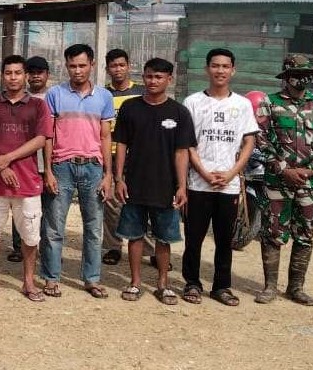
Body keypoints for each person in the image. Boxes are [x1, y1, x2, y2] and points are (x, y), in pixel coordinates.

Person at [253, 55, 313, 306]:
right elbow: (261, 139)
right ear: (286, 77)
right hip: (278, 181)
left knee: (305, 234)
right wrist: (283, 169)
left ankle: (296, 288)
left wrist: (312, 171)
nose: (303, 79)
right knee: (272, 233)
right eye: (297, 74)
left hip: (309, 184)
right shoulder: (270, 103)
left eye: (307, 74)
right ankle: (269, 287)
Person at [0, 55, 53, 300]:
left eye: (18, 73)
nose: (13, 77)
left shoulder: (38, 106)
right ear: (2, 76)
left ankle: (28, 282)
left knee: (29, 234)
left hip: (27, 181)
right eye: (8, 73)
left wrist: (10, 158)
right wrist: (0, 164)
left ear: (25, 75)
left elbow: (41, 138)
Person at [113, 58, 196, 305]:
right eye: (149, 76)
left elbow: (182, 152)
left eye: (159, 77)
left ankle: (163, 284)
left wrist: (182, 186)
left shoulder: (179, 112)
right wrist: (119, 178)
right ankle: (135, 282)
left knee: (164, 238)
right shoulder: (130, 108)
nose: (153, 81)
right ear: (143, 77)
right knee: (134, 236)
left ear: (169, 80)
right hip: (134, 185)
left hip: (166, 186)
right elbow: (122, 145)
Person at [181, 48, 258, 306]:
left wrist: (231, 173)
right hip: (198, 183)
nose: (220, 71)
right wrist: (203, 171)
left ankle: (222, 286)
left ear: (233, 70)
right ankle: (192, 283)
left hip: (228, 184)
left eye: (225, 66)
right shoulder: (192, 102)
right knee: (194, 237)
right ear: (207, 69)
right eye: (215, 66)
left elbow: (249, 141)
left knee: (225, 239)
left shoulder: (242, 104)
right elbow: (188, 143)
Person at [40, 44, 113, 299]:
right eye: (72, 66)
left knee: (94, 228)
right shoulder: (55, 94)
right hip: (61, 166)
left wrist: (108, 174)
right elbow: (48, 136)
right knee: (53, 227)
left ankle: (91, 279)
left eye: (82, 65)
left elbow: (105, 137)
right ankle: (51, 278)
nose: (77, 70)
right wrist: (47, 170)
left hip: (93, 167)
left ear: (92, 65)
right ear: (66, 66)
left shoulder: (104, 97)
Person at [102, 48, 150, 266]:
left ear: (128, 66)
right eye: (113, 65)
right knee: (111, 203)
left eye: (122, 65)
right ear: (107, 68)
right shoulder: (103, 95)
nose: (118, 69)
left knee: (142, 203)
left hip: (138, 158)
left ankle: (149, 249)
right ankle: (113, 247)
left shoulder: (141, 93)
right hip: (110, 158)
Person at [9, 55, 50, 263]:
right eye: (31, 73)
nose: (35, 77)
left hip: (45, 164)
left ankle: (40, 246)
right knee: (20, 206)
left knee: (43, 209)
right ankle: (18, 246)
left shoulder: (51, 99)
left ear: (46, 75)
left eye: (39, 73)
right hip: (22, 164)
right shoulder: (17, 99)